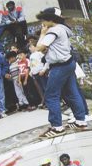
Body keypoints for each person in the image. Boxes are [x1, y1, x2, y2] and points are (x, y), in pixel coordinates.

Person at [35, 7, 88, 138]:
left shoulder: (53, 31)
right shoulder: (63, 28)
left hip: (59, 67)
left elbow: (39, 48)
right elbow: (48, 49)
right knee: (72, 93)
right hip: (69, 63)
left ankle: (57, 127)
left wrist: (42, 33)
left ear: (50, 19)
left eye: (44, 20)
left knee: (51, 96)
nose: (42, 23)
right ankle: (80, 121)